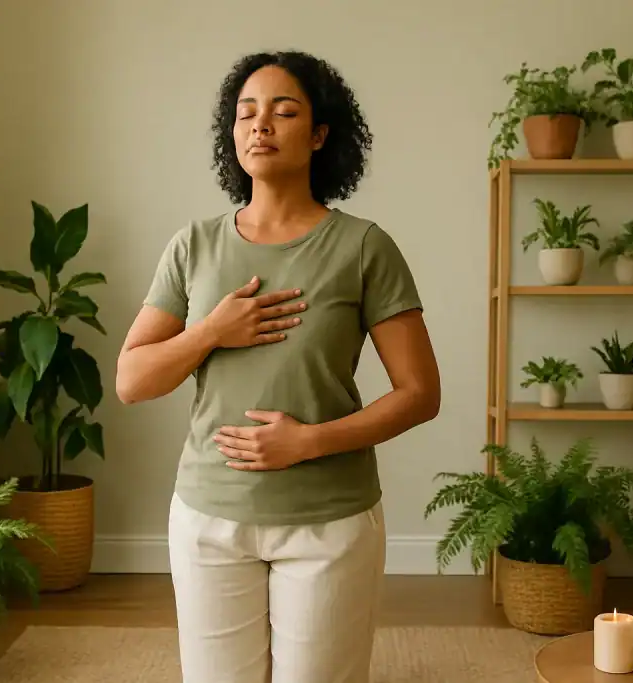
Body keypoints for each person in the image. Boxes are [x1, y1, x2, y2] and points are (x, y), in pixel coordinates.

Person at [115, 49, 441, 683]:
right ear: (231, 134)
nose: (260, 125)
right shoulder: (194, 246)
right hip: (209, 516)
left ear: (320, 134)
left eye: (283, 111)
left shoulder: (362, 246)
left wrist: (307, 442)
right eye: (246, 113)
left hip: (329, 521)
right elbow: (132, 380)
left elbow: (419, 392)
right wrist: (211, 331)